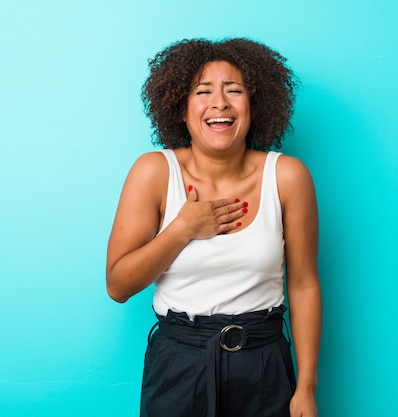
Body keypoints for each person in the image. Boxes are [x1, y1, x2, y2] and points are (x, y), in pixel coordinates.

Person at [106, 38, 321, 417]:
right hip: (178, 363)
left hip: (264, 362)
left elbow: (303, 284)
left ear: (255, 105)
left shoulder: (287, 176)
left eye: (234, 91)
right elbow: (118, 286)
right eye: (203, 91)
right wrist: (182, 228)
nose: (219, 102)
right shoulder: (154, 172)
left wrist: (305, 386)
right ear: (181, 108)